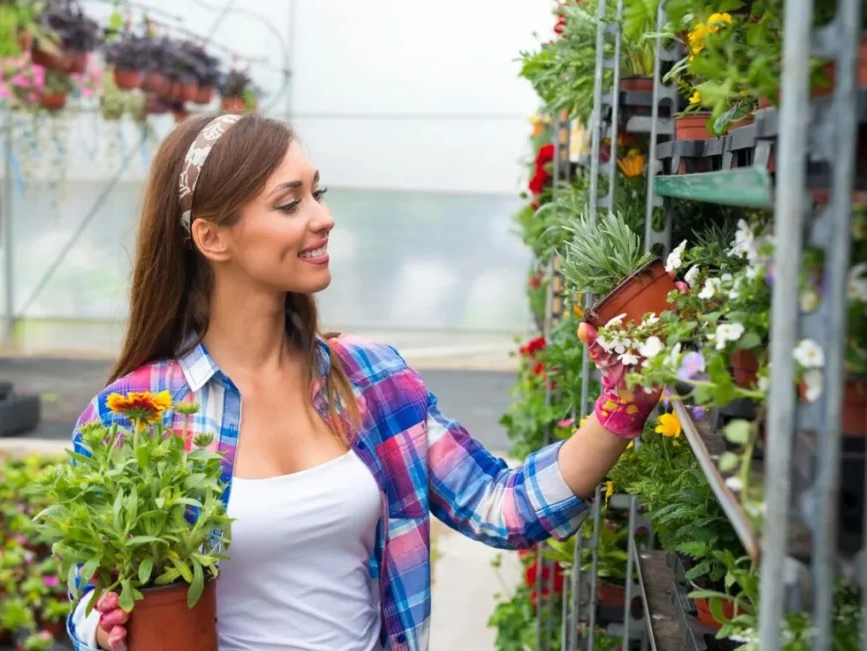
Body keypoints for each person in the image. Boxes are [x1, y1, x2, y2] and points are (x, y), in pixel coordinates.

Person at [65, 114, 659, 651]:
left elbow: (504, 507)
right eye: (289, 203)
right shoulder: (135, 414)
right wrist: (102, 624)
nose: (323, 217)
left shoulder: (373, 381)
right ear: (212, 237)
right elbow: (90, 595)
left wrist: (624, 402)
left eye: (316, 193)